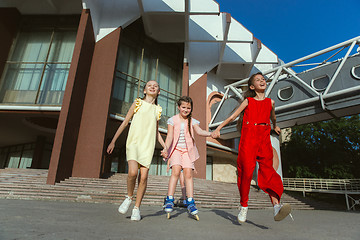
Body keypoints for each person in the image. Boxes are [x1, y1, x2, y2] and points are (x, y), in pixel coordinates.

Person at [212, 72, 291, 223]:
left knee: (268, 171)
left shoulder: (271, 102)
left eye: (263, 79)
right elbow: (232, 116)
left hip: (264, 138)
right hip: (249, 138)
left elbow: (273, 117)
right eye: (258, 80)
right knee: (246, 172)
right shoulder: (248, 101)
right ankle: (244, 206)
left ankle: (276, 207)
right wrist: (218, 128)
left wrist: (275, 126)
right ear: (252, 87)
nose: (262, 81)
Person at [107, 80, 166, 221]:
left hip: (148, 145)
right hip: (133, 142)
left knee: (144, 177)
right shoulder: (137, 103)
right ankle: (128, 197)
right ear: (145, 90)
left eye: (156, 86)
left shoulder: (157, 109)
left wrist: (165, 146)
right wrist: (113, 141)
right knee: (133, 172)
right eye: (149, 85)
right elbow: (125, 122)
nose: (152, 86)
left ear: (159, 92)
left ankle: (136, 208)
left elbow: (156, 132)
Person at [161, 96, 212, 220]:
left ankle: (190, 200)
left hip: (187, 151)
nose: (186, 109)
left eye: (188, 108)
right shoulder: (172, 120)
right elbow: (169, 137)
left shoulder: (192, 121)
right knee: (176, 171)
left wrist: (211, 133)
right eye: (183, 107)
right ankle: (170, 198)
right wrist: (165, 148)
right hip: (176, 150)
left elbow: (199, 132)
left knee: (188, 173)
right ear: (178, 107)